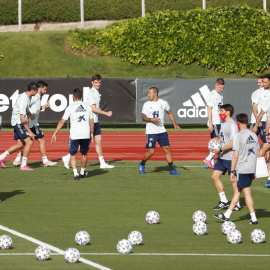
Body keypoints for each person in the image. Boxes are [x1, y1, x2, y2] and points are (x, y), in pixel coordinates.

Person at [214, 113, 259, 225]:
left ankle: (250, 218)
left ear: (238, 123)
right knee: (240, 192)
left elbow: (235, 155)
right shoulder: (253, 135)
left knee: (245, 193)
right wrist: (256, 171)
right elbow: (257, 154)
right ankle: (229, 215)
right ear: (247, 122)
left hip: (242, 168)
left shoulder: (239, 136)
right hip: (251, 168)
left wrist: (232, 171)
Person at [61, 74, 114, 169]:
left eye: (99, 82)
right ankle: (67, 157)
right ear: (92, 82)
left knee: (99, 141)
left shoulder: (96, 92)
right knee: (82, 145)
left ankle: (102, 162)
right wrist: (106, 113)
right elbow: (93, 108)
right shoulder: (92, 93)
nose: (98, 84)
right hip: (91, 122)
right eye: (96, 82)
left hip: (95, 121)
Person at [51, 88, 94, 180]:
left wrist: (55, 133)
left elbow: (62, 121)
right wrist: (91, 133)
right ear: (82, 97)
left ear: (73, 97)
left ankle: (76, 174)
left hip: (75, 134)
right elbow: (91, 121)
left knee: (73, 154)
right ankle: (82, 172)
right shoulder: (87, 106)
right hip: (85, 133)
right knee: (84, 154)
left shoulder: (70, 107)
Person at [13, 81, 57, 167]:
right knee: (41, 140)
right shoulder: (34, 96)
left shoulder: (37, 96)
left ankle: (17, 159)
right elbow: (26, 107)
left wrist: (44, 106)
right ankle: (45, 160)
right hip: (32, 124)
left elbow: (34, 108)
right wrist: (29, 117)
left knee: (25, 143)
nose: (45, 91)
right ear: (39, 88)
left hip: (31, 123)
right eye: (44, 89)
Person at [138, 86, 181, 175]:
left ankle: (171, 169)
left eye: (150, 93)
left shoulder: (164, 103)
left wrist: (174, 124)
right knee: (151, 152)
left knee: (167, 149)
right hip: (151, 132)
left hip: (162, 131)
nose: (148, 95)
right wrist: (151, 120)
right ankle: (142, 163)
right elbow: (143, 117)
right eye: (148, 93)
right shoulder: (146, 104)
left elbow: (169, 113)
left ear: (155, 94)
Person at [0, 82, 39, 170]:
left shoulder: (27, 96)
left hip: (17, 122)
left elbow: (26, 109)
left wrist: (30, 116)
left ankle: (1, 157)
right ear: (32, 90)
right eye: (36, 91)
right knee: (29, 142)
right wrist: (29, 131)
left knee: (21, 144)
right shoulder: (24, 99)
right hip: (18, 122)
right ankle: (23, 165)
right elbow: (22, 118)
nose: (37, 92)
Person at [210, 104, 240, 211]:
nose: (220, 113)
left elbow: (233, 143)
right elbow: (223, 136)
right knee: (214, 176)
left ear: (228, 112)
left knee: (233, 180)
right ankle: (224, 201)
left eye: (222, 111)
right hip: (222, 157)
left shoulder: (233, 125)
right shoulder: (223, 123)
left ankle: (237, 203)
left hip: (231, 157)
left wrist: (220, 149)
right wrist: (216, 138)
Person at [204, 78, 225, 169]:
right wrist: (211, 123)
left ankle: (211, 163)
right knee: (218, 142)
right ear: (216, 85)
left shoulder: (220, 95)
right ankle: (209, 159)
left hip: (219, 121)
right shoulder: (211, 95)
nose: (222, 89)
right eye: (220, 87)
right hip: (215, 122)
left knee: (215, 142)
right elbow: (209, 109)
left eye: (223, 88)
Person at [252, 74, 270, 141]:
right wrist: (257, 124)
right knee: (265, 143)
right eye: (263, 82)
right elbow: (260, 110)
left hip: (266, 121)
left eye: (265, 82)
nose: (263, 84)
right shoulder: (259, 92)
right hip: (263, 121)